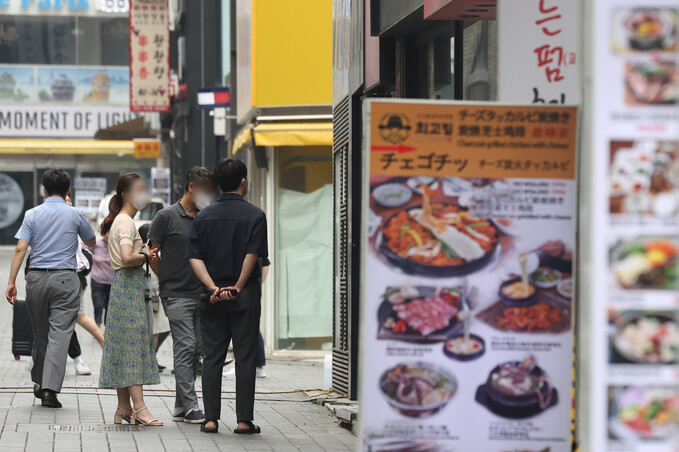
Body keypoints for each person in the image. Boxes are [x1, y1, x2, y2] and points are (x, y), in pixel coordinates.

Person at [187, 159, 267, 434]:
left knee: (212, 357)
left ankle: (210, 419)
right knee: (245, 357)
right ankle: (244, 421)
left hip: (211, 298)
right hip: (244, 296)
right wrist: (238, 287)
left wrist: (213, 288)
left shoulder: (203, 216)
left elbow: (195, 258)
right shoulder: (255, 215)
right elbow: (252, 254)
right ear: (244, 181)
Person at [5, 169, 96, 408]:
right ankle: (48, 389)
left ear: (44, 190)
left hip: (35, 279)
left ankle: (39, 382)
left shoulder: (32, 214)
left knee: (41, 334)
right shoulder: (76, 214)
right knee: (59, 336)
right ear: (68, 190)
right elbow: (91, 241)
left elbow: (20, 249)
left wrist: (12, 282)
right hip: (65, 280)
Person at [149, 166, 217, 425]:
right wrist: (164, 277)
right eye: (206, 190)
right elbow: (152, 253)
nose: (208, 196)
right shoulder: (165, 216)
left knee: (198, 348)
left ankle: (179, 405)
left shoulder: (206, 216)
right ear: (192, 187)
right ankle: (191, 406)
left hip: (201, 294)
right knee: (186, 346)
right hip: (175, 294)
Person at [98, 173, 162, 427]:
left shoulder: (120, 221)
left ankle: (123, 408)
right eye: (138, 189)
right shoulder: (125, 223)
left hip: (122, 286)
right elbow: (126, 257)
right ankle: (140, 409)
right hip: (128, 285)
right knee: (133, 348)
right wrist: (146, 254)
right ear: (125, 194)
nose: (142, 194)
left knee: (123, 347)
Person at [65, 195, 106, 350]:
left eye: (69, 201)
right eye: (65, 201)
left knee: (78, 315)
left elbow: (90, 242)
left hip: (75, 277)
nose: (67, 204)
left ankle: (101, 342)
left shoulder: (76, 220)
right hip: (65, 277)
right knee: (67, 317)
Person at [137, 223, 171, 374]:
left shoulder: (137, 254)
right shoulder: (153, 253)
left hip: (140, 296)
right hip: (153, 297)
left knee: (147, 330)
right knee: (154, 331)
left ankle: (148, 360)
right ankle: (151, 360)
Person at [89, 232, 114, 327]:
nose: (108, 234)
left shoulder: (117, 246)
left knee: (109, 307)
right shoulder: (96, 244)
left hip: (112, 282)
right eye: (106, 232)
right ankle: (97, 327)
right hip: (97, 280)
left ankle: (108, 331)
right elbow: (85, 251)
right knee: (98, 304)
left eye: (110, 232)